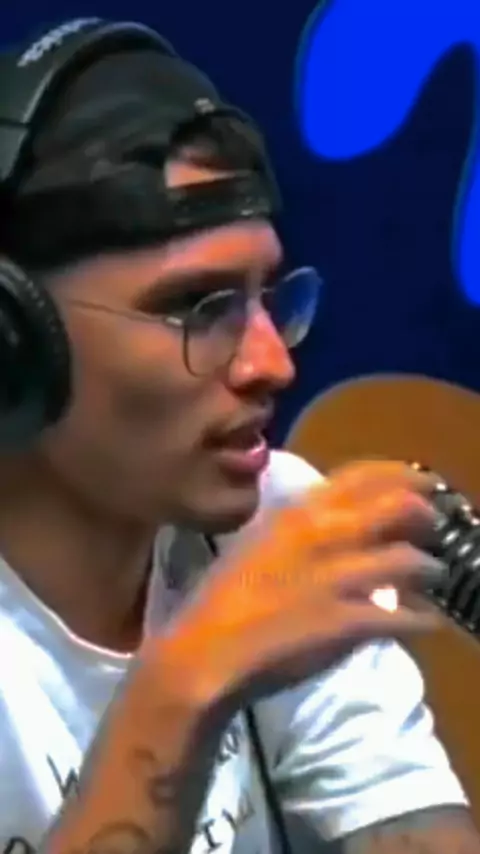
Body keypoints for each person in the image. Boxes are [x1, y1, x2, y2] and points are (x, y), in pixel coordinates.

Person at [0, 16, 478, 854]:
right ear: (15, 343)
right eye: (198, 307)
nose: (272, 365)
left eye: (268, 299)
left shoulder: (278, 522)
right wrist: (188, 683)